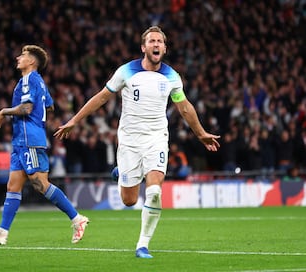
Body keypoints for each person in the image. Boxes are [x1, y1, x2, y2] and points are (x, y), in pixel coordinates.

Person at [54, 26, 220, 258]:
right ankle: (121, 172)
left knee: (154, 192)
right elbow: (102, 97)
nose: (156, 44)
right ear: (144, 47)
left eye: (160, 41)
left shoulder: (172, 76)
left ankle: (142, 245)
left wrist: (200, 133)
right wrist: (74, 120)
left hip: (157, 139)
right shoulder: (126, 71)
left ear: (164, 48)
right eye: (151, 41)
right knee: (129, 200)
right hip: (130, 141)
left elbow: (184, 107)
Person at [0, 45, 89, 245]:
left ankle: (77, 219)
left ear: (32, 61)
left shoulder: (30, 79)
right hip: (21, 140)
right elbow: (50, 105)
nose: (18, 57)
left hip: (29, 139)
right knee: (13, 186)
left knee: (40, 184)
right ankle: (2, 233)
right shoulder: (37, 81)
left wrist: (4, 111)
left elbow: (28, 108)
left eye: (23, 55)